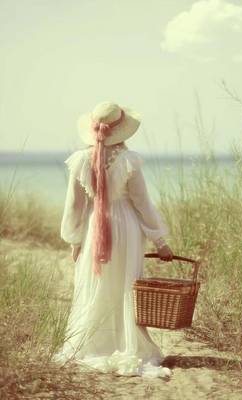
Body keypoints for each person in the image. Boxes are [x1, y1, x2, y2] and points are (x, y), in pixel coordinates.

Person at [52, 101, 174, 378]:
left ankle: (95, 343)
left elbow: (74, 206)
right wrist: (160, 241)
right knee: (125, 285)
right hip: (126, 228)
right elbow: (143, 204)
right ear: (122, 133)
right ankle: (125, 343)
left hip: (95, 227)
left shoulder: (81, 160)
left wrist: (75, 240)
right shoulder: (129, 161)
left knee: (98, 285)